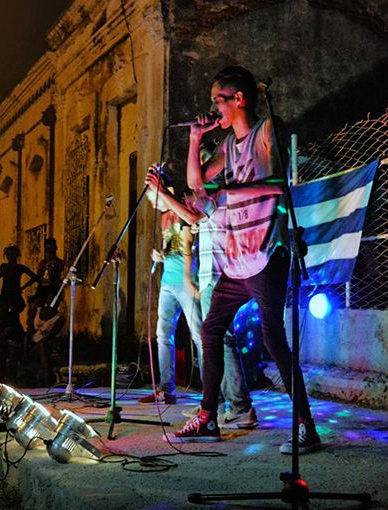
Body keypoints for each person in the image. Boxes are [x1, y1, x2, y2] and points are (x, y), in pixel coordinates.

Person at [172, 66, 320, 453]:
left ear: (238, 99)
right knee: (210, 328)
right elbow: (196, 183)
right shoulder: (227, 146)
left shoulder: (268, 129)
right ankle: (207, 417)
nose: (213, 108)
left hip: (268, 252)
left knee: (275, 340)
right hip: (237, 260)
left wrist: (235, 189)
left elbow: (276, 181)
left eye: (217, 100)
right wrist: (195, 139)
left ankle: (306, 425)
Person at [145, 145, 257, 430]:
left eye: (204, 164)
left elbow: (192, 217)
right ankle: (216, 404)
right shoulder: (209, 197)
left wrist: (166, 195)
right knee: (215, 341)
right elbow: (192, 217)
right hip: (211, 276)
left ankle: (239, 406)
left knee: (221, 341)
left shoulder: (217, 194)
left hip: (217, 277)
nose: (198, 172)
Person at [138, 180, 202, 406]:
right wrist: (160, 255)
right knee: (162, 335)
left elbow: (190, 244)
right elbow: (172, 246)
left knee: (199, 335)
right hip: (167, 281)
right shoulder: (164, 219)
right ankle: (166, 390)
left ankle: (213, 394)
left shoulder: (183, 208)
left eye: (152, 197)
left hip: (187, 280)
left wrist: (188, 278)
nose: (152, 204)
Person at [0, 245, 37, 315]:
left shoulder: (20, 268)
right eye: (8, 255)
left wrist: (23, 287)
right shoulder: (4, 266)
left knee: (14, 316)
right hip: (5, 296)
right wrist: (8, 265)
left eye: (12, 255)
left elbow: (34, 277)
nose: (10, 257)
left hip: (15, 296)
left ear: (16, 255)